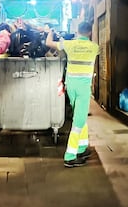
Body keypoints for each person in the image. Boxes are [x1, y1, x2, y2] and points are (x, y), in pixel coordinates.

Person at [46, 21, 99, 168]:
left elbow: (48, 42)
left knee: (80, 117)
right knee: (78, 122)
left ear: (77, 30)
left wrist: (50, 30)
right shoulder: (94, 47)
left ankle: (82, 148)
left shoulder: (69, 44)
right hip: (83, 88)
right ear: (90, 32)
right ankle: (70, 156)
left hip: (71, 85)